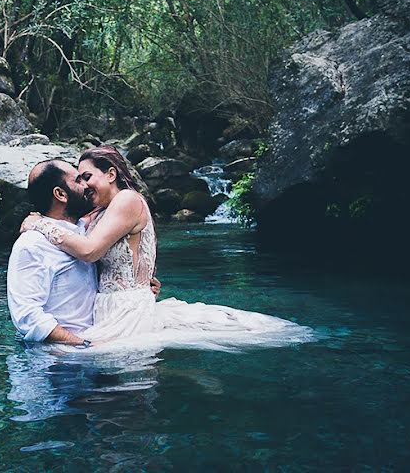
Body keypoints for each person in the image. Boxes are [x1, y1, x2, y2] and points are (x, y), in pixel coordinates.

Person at [22, 145, 313, 350]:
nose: (84, 185)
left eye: (87, 177)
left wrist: (39, 224)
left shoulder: (127, 200)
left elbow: (89, 251)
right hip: (105, 310)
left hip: (125, 310)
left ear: (111, 174)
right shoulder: (96, 214)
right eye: (79, 179)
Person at [6, 159, 97, 347]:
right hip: (57, 360)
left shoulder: (87, 232)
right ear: (61, 194)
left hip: (96, 340)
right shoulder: (32, 244)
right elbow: (27, 316)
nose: (87, 185)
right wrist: (82, 345)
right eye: (79, 180)